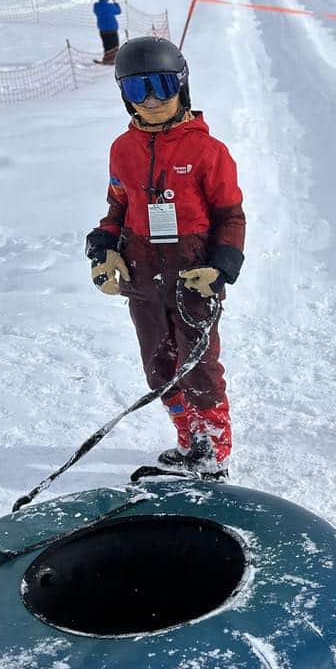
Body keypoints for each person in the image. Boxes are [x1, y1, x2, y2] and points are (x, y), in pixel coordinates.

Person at [84, 37, 247, 477]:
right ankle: (188, 437)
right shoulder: (122, 149)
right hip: (142, 275)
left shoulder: (208, 153)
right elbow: (117, 207)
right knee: (159, 367)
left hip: (193, 274)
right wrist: (102, 248)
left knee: (199, 366)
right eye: (138, 90)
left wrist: (221, 267)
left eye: (162, 85)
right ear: (124, 95)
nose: (152, 100)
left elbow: (231, 216)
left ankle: (212, 451)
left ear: (182, 86)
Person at [93, 0, 122, 65]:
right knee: (115, 46)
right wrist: (114, 1)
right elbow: (119, 11)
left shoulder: (96, 6)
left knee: (106, 46)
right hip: (112, 29)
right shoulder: (110, 6)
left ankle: (107, 60)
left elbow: (98, 9)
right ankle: (115, 60)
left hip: (103, 30)